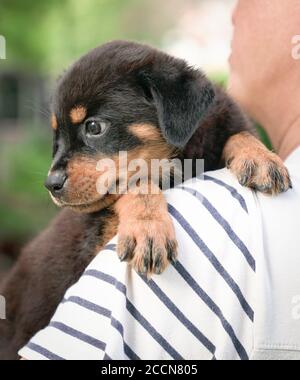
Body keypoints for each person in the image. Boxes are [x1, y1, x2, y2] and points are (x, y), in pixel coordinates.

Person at [20, 0, 300, 360]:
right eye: (59, 141)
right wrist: (137, 197)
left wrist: (242, 143)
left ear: (175, 109)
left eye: (94, 128)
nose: (54, 173)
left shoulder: (221, 209)